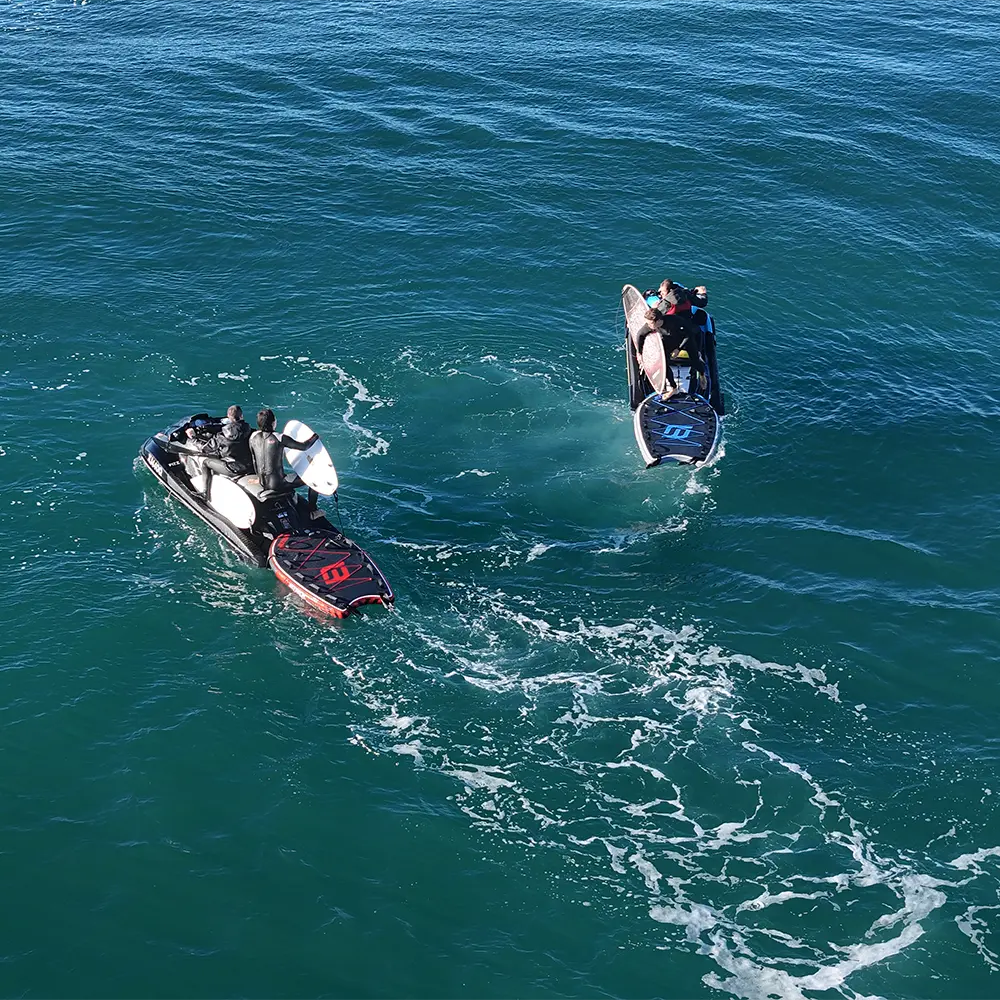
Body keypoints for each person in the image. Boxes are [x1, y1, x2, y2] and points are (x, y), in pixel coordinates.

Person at [250, 408, 318, 492]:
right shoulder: (280, 438)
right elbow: (304, 446)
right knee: (315, 478)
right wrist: (315, 437)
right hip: (278, 484)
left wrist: (259, 478)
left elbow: (254, 460)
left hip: (262, 482)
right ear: (273, 422)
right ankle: (312, 505)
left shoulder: (253, 437)